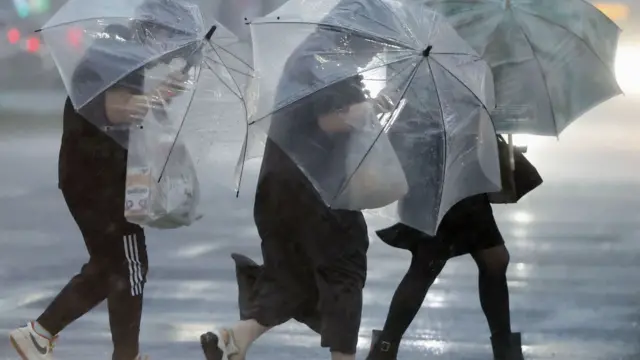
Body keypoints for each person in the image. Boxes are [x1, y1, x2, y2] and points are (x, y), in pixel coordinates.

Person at [198, 6, 396, 360]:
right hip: (316, 187)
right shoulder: (330, 63)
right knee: (344, 270)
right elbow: (330, 121)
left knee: (293, 274)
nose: (375, 51)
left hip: (279, 184)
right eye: (374, 43)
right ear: (358, 35)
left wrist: (368, 105)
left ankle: (233, 337)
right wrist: (369, 108)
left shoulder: (309, 55)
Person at [8, 5, 197, 358]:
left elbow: (125, 108)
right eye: (173, 40)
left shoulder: (127, 52)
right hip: (98, 177)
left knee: (113, 266)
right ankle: (123, 353)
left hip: (94, 175)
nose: (171, 51)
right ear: (158, 29)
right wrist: (157, 95)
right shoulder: (118, 49)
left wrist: (164, 92)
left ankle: (41, 334)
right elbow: (116, 107)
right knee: (131, 265)